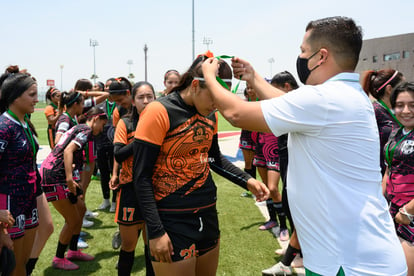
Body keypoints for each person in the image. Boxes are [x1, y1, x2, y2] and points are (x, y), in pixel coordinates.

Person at [202, 16, 407, 276]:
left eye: (302, 51)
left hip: (350, 262)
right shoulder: (345, 96)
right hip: (352, 255)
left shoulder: (324, 99)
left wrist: (210, 77)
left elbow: (236, 113)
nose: (300, 57)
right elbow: (289, 102)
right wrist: (254, 78)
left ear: (321, 57)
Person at [133, 53, 269, 276]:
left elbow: (213, 158)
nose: (218, 105)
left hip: (207, 213)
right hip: (171, 218)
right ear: (196, 85)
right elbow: (141, 176)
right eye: (214, 97)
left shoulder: (211, 115)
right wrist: (156, 232)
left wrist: (248, 180)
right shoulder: (158, 111)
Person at [40, 107, 107, 270]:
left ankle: (73, 251)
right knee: (73, 219)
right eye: (102, 125)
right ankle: (58, 258)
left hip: (58, 174)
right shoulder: (85, 129)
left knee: (81, 209)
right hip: (54, 176)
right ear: (96, 119)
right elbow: (68, 150)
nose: (102, 129)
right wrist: (70, 179)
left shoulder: (79, 127)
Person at [112, 81, 156, 275]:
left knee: (152, 245)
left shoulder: (162, 122)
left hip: (156, 189)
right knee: (128, 245)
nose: (146, 101)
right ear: (133, 100)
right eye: (141, 97)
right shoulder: (126, 123)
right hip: (130, 189)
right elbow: (119, 154)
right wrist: (141, 136)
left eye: (150, 97)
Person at [0, 70, 40, 276]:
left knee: (21, 265)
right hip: (7, 208)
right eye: (32, 95)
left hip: (28, 202)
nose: (37, 99)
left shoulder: (24, 123)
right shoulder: (3, 127)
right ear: (15, 97)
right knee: (11, 268)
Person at [384, 82, 414, 276]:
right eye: (400, 105)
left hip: (409, 213)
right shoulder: (396, 132)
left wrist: (408, 211)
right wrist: (381, 203)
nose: (406, 110)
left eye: (412, 105)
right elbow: (389, 169)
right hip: (393, 210)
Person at [361, 69, 404, 175]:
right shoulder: (373, 113)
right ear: (389, 89)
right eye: (402, 87)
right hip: (381, 178)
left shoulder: (395, 112)